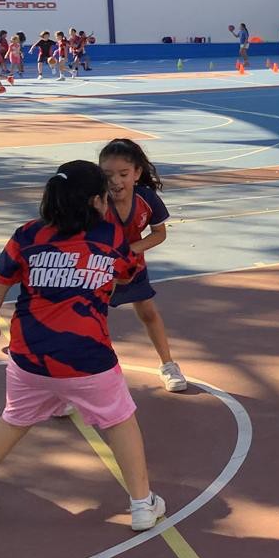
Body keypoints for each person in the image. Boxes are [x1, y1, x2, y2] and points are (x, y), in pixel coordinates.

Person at [0, 161, 166, 531]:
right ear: (97, 201)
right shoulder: (109, 237)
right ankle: (143, 504)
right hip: (88, 358)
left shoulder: (28, 235)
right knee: (119, 421)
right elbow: (123, 273)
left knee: (13, 419)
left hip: (30, 357)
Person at [99, 139, 186, 393]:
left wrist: (130, 251)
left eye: (123, 174)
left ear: (136, 173)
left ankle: (168, 365)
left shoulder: (146, 199)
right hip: (98, 269)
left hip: (132, 266)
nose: (116, 181)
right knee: (89, 320)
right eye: (108, 175)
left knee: (148, 313)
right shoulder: (97, 201)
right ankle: (74, 379)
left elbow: (159, 233)